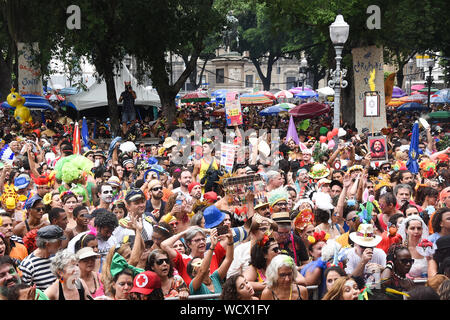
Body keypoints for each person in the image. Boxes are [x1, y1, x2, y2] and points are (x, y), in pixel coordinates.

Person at [188, 228, 234, 297]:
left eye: (203, 261)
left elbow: (229, 259)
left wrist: (230, 240)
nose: (204, 263)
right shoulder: (193, 285)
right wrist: (212, 246)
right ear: (193, 273)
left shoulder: (215, 277)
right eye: (199, 264)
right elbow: (202, 271)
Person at [19, 225, 66, 290]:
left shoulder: (58, 257)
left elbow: (62, 281)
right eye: (59, 242)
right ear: (47, 244)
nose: (61, 245)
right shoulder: (28, 265)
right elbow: (25, 292)